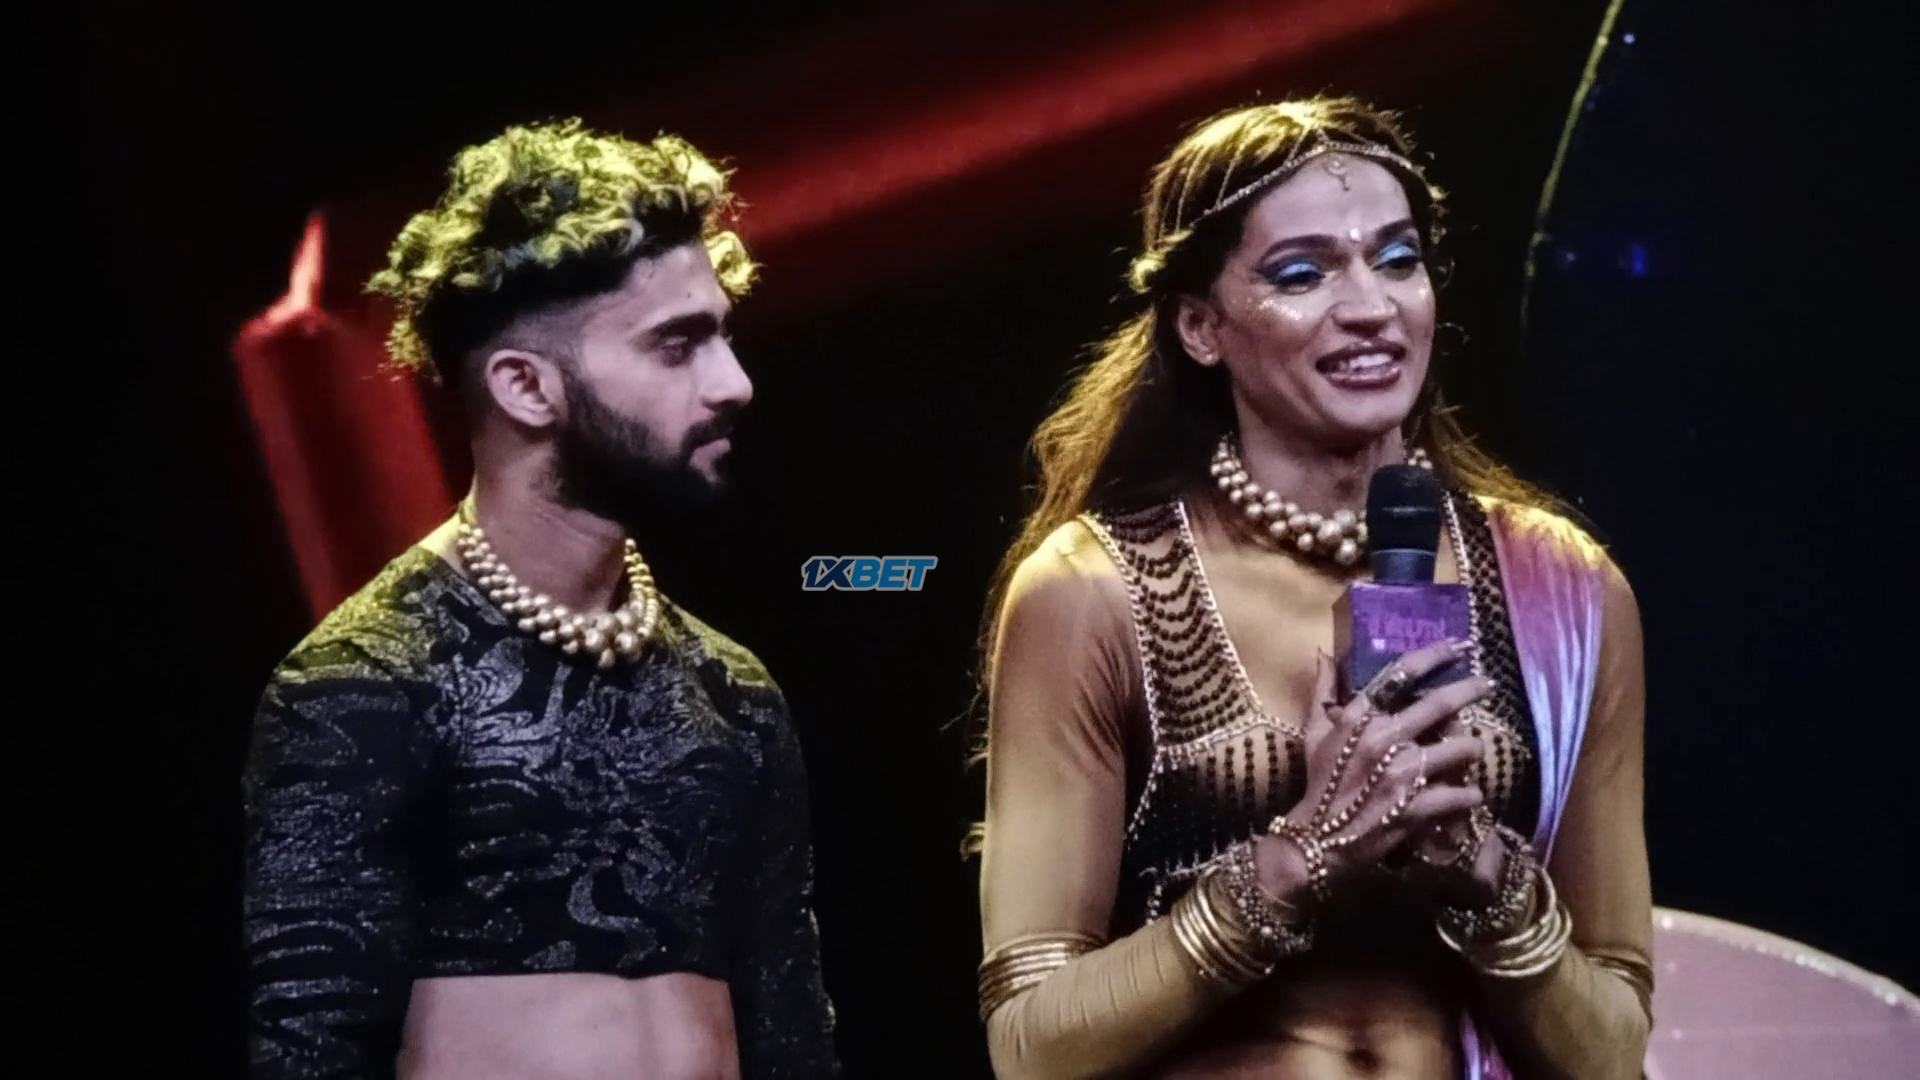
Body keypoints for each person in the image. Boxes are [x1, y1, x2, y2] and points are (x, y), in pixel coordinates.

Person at [971, 96, 1653, 1079]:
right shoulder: (1095, 592)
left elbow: (1616, 1051)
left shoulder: (1564, 592)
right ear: (1201, 326)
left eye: (1398, 259)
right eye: (1302, 274)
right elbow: (1031, 1047)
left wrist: (1486, 876)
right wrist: (1302, 857)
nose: (1372, 306)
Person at [242, 120, 839, 1079]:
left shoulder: (733, 694)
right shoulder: (365, 682)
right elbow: (309, 1052)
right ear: (526, 387)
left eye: (722, 335)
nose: (734, 384)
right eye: (678, 345)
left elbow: (793, 1036)